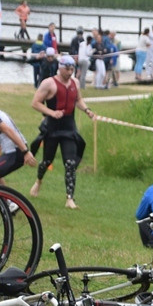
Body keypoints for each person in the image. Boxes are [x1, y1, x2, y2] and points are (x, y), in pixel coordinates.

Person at [30, 55, 96, 209]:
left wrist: (87, 110)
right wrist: (51, 113)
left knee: (70, 163)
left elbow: (78, 100)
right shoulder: (49, 83)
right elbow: (35, 103)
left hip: (69, 128)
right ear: (60, 67)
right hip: (52, 127)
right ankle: (38, 181)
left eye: (72, 68)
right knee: (47, 161)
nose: (70, 71)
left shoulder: (75, 83)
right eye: (67, 68)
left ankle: (69, 199)